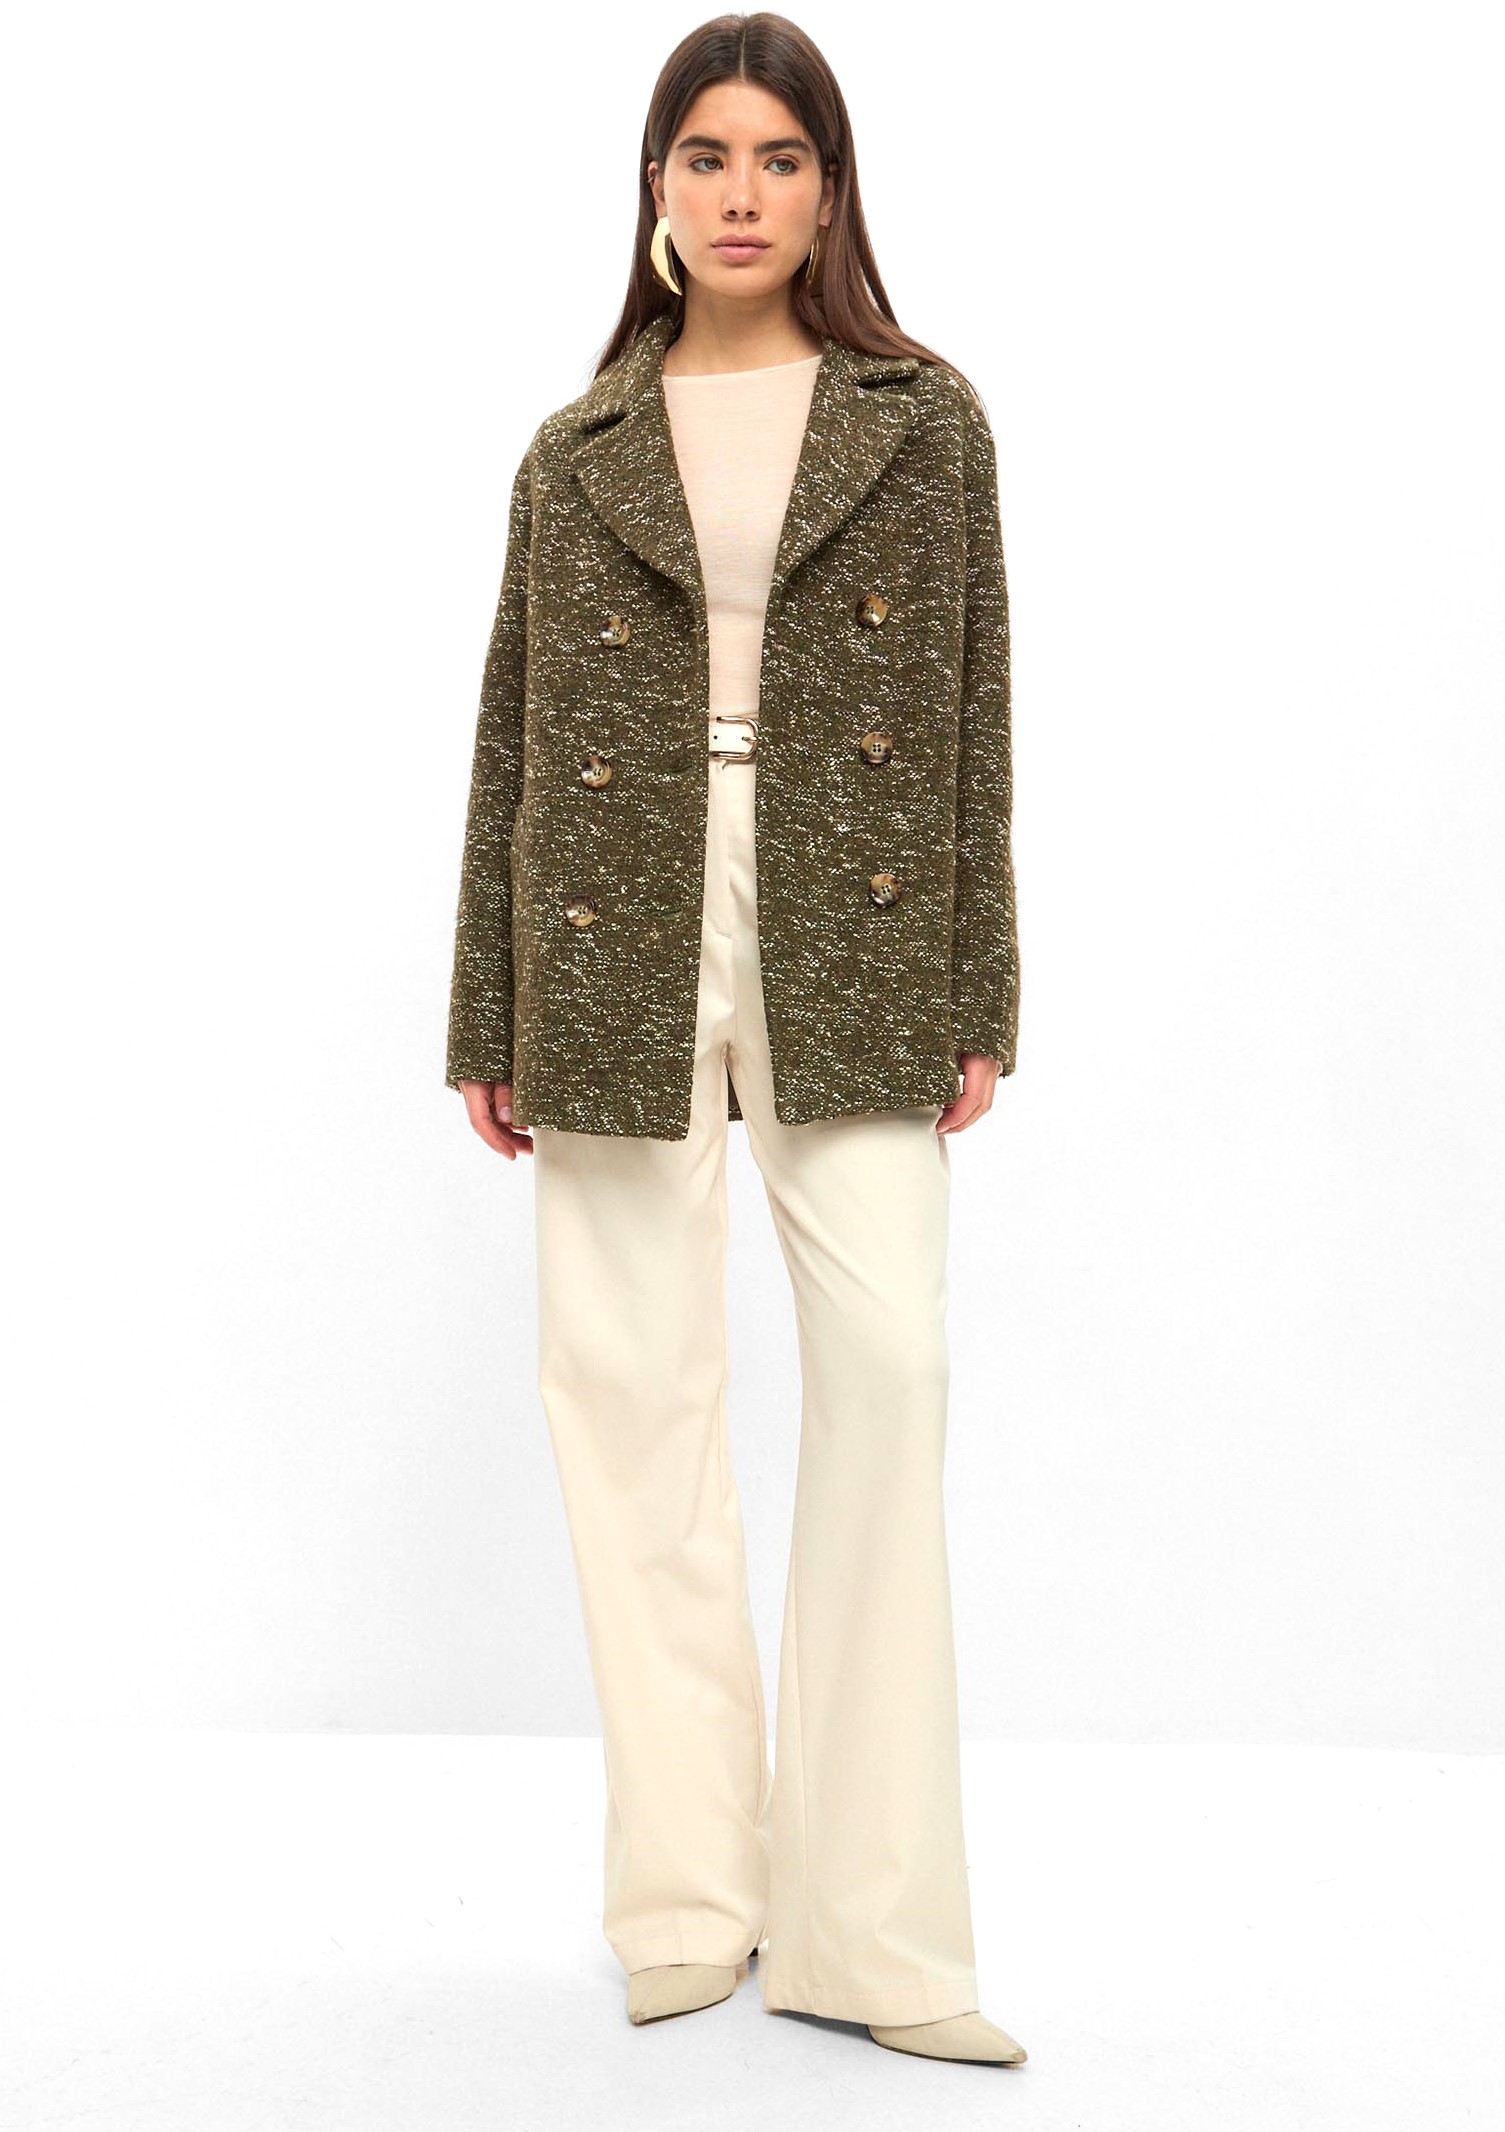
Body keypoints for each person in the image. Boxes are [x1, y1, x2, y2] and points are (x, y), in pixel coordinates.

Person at [445, 11, 1025, 2068]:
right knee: (629, 1388)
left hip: (853, 920)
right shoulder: (575, 446)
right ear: (658, 188)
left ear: (832, 188)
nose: (744, 191)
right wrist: (489, 1006)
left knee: (888, 1370)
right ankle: (689, 1898)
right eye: (707, 154)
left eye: (782, 156)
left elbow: (977, 722)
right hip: (611, 917)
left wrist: (979, 989)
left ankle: (874, 1935)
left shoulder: (924, 422)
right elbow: (510, 734)